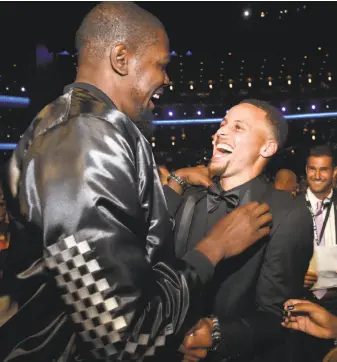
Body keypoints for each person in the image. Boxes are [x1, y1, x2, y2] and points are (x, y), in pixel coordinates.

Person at [0, 3, 272, 362]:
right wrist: (214, 248)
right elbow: (120, 335)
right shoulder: (85, 140)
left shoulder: (85, 128)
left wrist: (172, 185)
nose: (167, 79)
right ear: (121, 58)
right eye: (161, 64)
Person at [163, 99, 314, 362]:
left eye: (238, 127)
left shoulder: (287, 213)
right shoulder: (189, 197)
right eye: (222, 125)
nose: (220, 132)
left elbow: (276, 313)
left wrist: (217, 334)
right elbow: (154, 268)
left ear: (267, 147)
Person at [291, 145, 337, 362]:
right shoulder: (289, 205)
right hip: (300, 299)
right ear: (306, 169)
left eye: (324, 169)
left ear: (334, 172)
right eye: (312, 169)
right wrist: (293, 275)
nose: (317, 175)